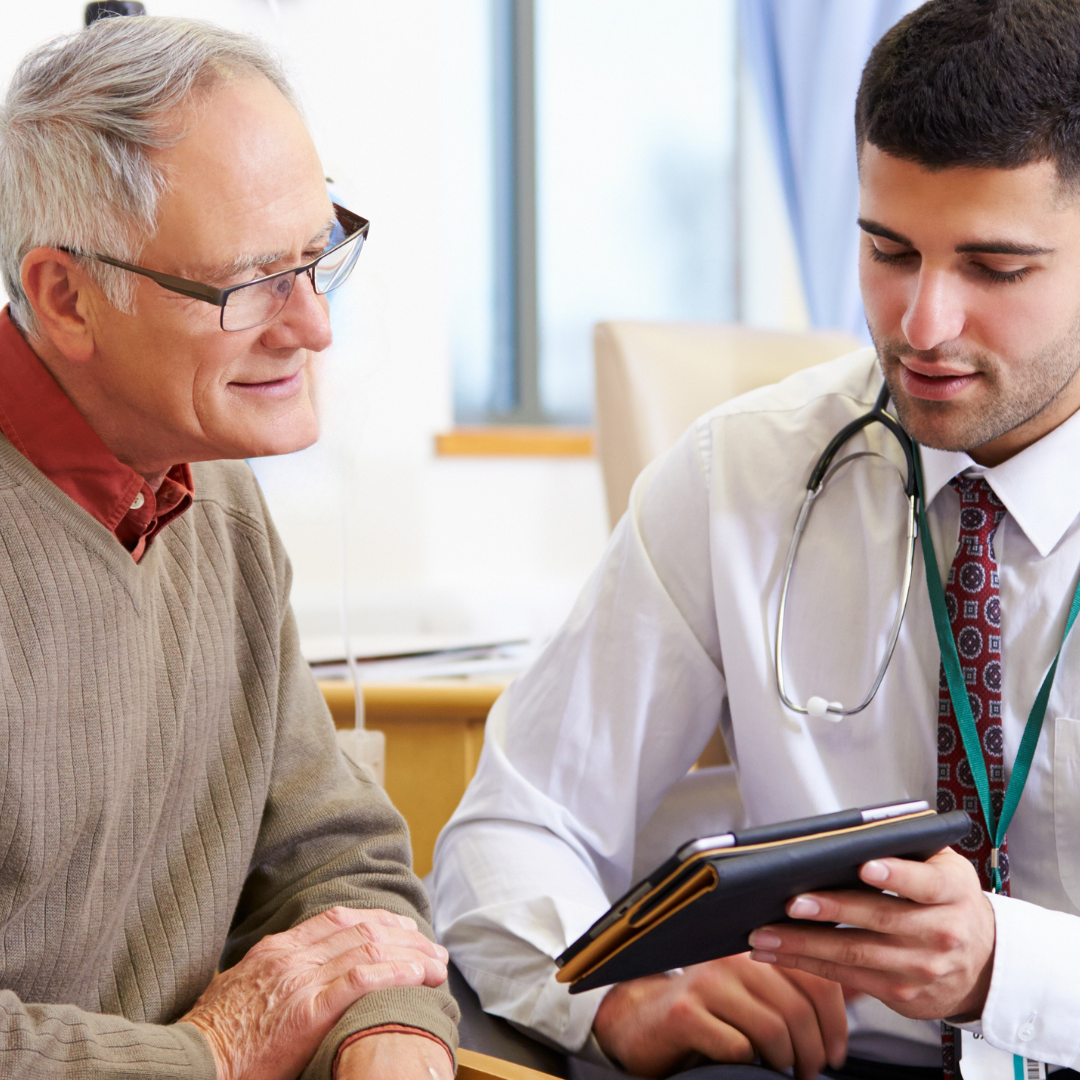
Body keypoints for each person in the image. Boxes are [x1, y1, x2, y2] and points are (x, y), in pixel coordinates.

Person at [432, 1, 1080, 1077]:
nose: (922, 325)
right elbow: (514, 826)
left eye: (996, 268)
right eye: (888, 250)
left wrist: (1006, 974)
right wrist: (611, 996)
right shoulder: (737, 472)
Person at [0, 16, 456, 1080]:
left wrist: (388, 1035)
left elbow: (336, 862)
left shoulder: (219, 495)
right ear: (66, 297)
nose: (314, 327)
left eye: (317, 256)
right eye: (249, 284)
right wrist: (210, 1054)